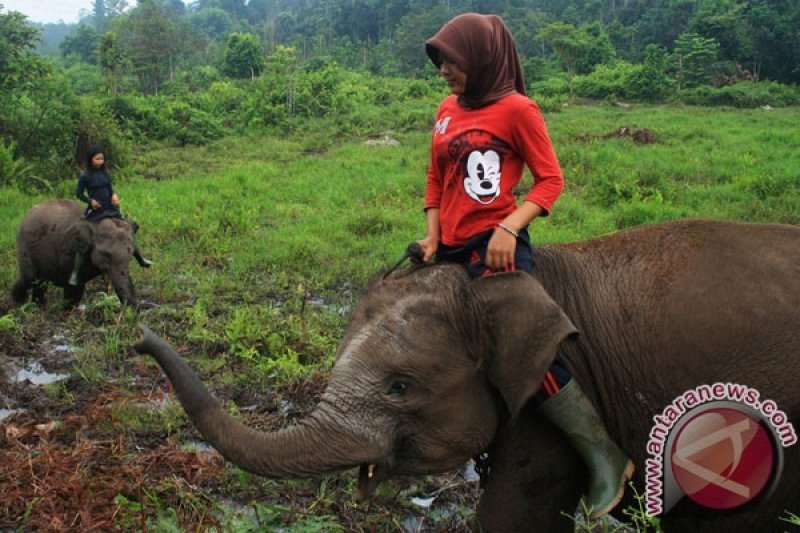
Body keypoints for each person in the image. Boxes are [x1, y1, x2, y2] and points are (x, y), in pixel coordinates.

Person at [417, 13, 633, 518]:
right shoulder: (448, 108)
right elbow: (435, 176)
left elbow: (549, 181)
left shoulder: (517, 109)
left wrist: (509, 228)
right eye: (441, 62)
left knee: (529, 353)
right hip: (448, 251)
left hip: (497, 247)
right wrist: (430, 236)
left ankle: (604, 455)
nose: (444, 70)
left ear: (482, 57)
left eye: (452, 60)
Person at [69, 146, 152, 286]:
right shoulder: (85, 176)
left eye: (102, 159)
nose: (100, 161)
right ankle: (75, 273)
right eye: (97, 159)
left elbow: (110, 188)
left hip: (110, 208)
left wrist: (114, 196)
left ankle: (140, 259)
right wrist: (90, 201)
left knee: (126, 230)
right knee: (84, 240)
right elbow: (79, 194)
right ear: (90, 159)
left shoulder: (105, 173)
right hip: (97, 210)